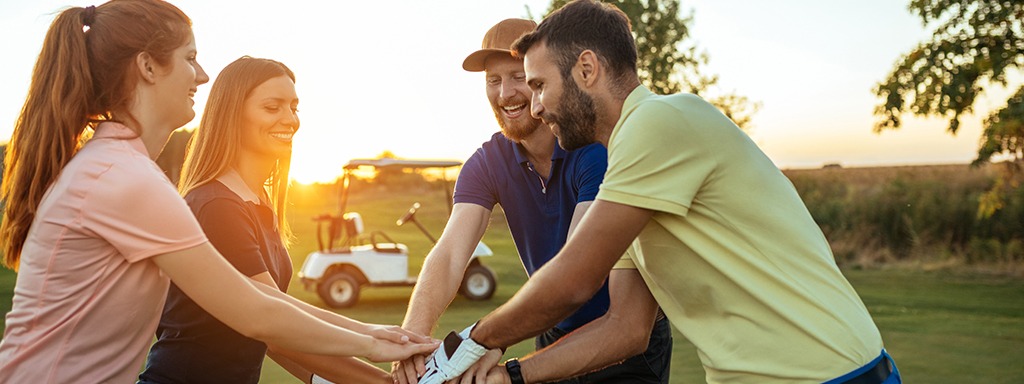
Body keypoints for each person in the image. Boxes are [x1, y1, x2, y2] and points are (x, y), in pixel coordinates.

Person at [423, 1, 903, 383]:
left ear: (586, 69)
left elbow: (573, 278)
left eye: (540, 85)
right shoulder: (625, 173)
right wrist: (514, 375)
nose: (538, 104)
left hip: (831, 372)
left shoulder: (661, 121)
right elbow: (626, 328)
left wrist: (467, 344)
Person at [0, 2, 436, 383]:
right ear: (148, 67)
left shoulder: (122, 168)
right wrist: (380, 349)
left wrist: (379, 336)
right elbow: (254, 313)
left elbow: (262, 299)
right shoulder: (125, 178)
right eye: (190, 58)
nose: (203, 75)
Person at [393, 18, 672, 384]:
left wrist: (487, 337)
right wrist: (411, 340)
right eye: (493, 80)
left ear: (549, 79)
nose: (505, 93)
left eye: (519, 77)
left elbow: (574, 276)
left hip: (620, 341)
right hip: (550, 331)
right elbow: (448, 255)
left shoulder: (594, 152)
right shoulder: (487, 161)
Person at [138, 56, 399, 384]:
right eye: (272, 107)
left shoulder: (256, 201)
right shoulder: (216, 206)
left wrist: (336, 370)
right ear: (233, 115)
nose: (290, 119)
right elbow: (274, 330)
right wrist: (383, 374)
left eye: (294, 107)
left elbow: (277, 327)